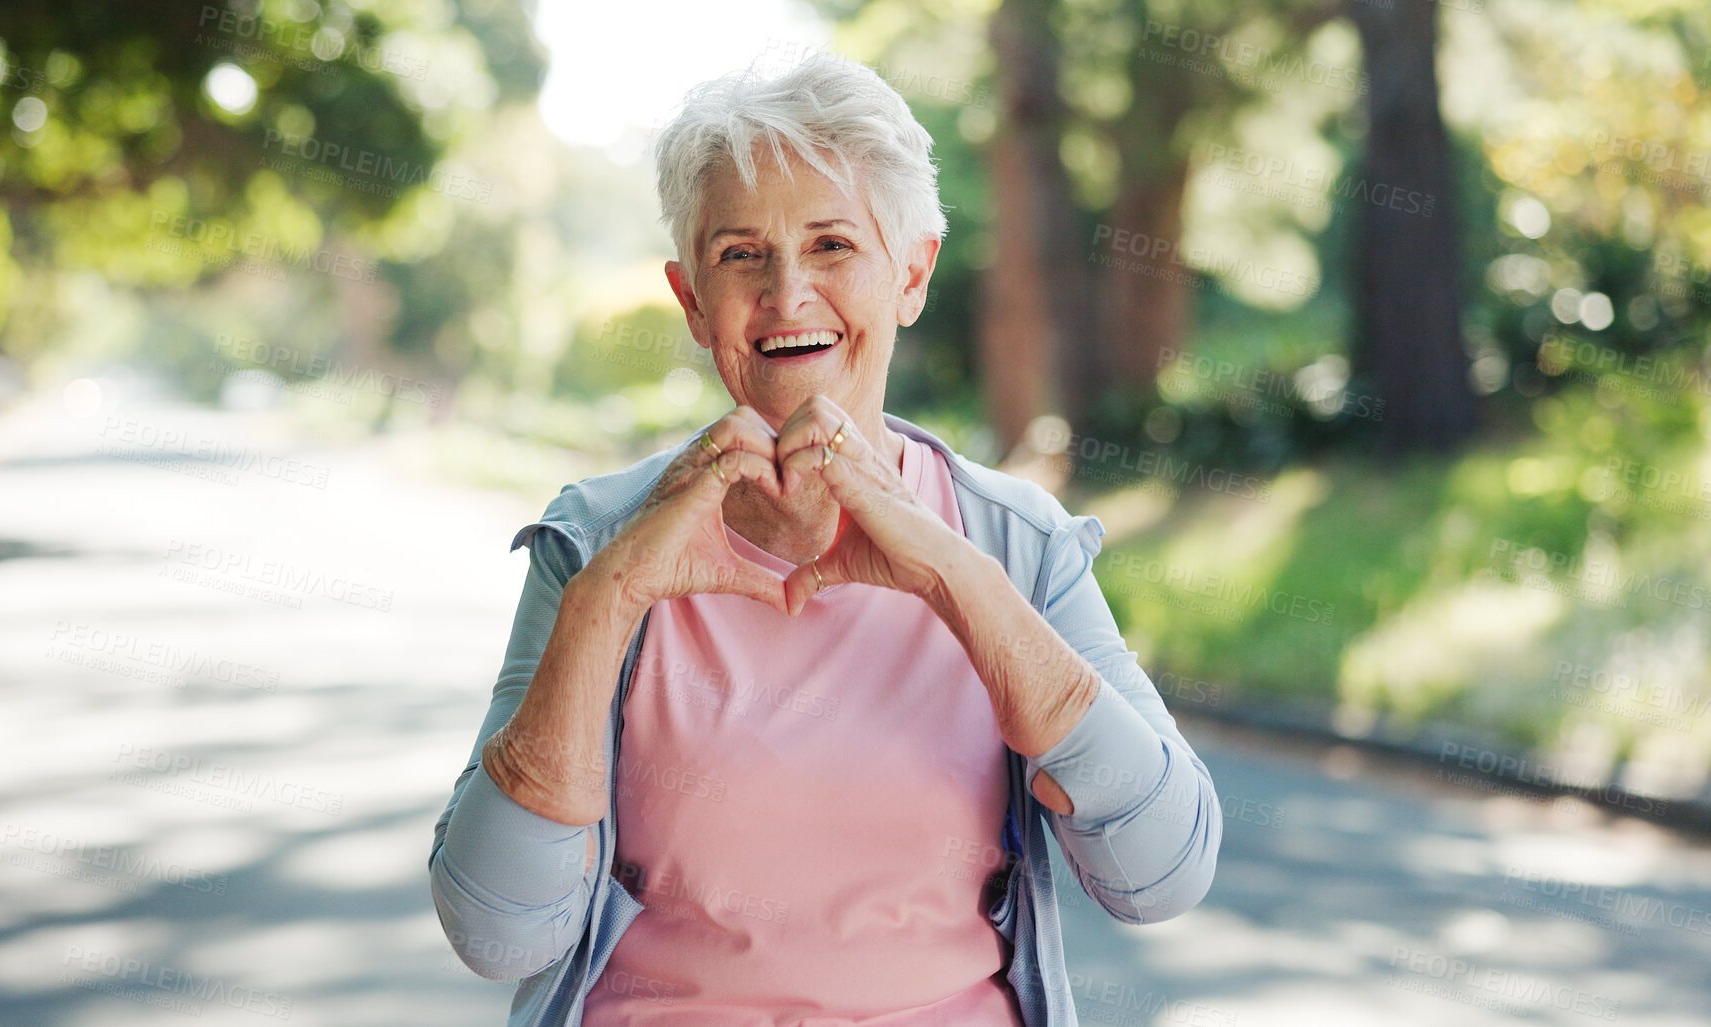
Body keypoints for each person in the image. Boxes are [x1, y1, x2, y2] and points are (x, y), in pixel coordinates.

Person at [430, 52, 1220, 1026]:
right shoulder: (594, 543)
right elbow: (499, 932)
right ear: (691, 300)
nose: (787, 293)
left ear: (912, 275)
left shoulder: (1016, 544)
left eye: (834, 245)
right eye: (740, 254)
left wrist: (949, 571)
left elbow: (1161, 873)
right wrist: (608, 599)